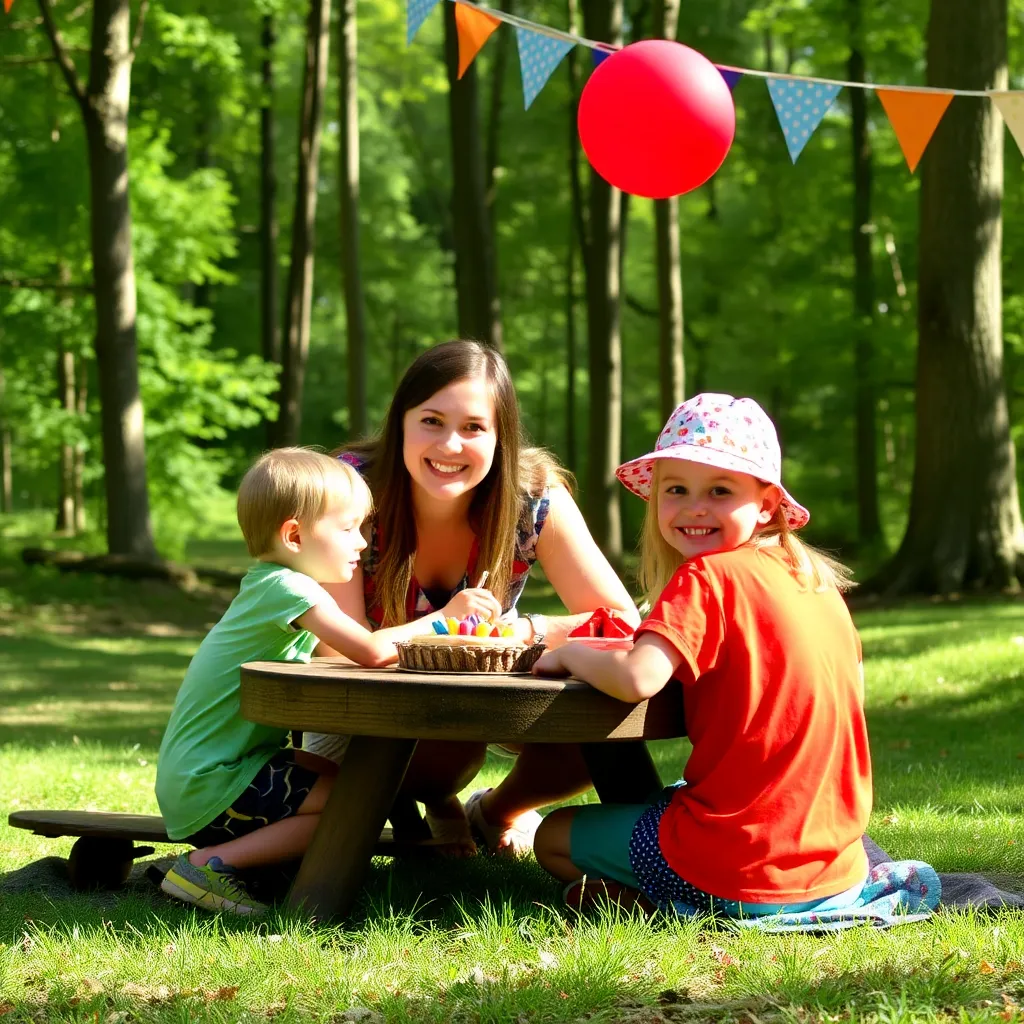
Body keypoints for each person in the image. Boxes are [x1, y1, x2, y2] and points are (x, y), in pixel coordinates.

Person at [531, 393, 873, 919]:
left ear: (765, 503)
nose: (694, 506)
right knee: (659, 803)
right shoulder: (814, 581)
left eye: (719, 490)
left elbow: (639, 677)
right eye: (676, 489)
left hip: (743, 860)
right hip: (835, 860)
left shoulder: (707, 576)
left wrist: (574, 653)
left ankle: (666, 902)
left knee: (552, 836)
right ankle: (660, 893)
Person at [306, 340, 640, 854]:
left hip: (487, 703)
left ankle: (496, 811)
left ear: (500, 436)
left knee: (604, 715)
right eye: (432, 421)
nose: (451, 446)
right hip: (367, 713)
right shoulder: (351, 488)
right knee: (444, 746)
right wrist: (442, 624)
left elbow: (619, 620)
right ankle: (436, 803)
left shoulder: (533, 496)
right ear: (400, 423)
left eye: (474, 428)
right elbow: (335, 651)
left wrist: (527, 630)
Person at [156, 448, 500, 915]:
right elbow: (374, 651)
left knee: (355, 783)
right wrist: (444, 617)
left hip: (212, 773)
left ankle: (411, 853)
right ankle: (207, 866)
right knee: (352, 808)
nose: (363, 543)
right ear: (294, 535)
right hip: (213, 783)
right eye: (349, 529)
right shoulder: (288, 589)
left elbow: (356, 651)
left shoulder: (272, 586)